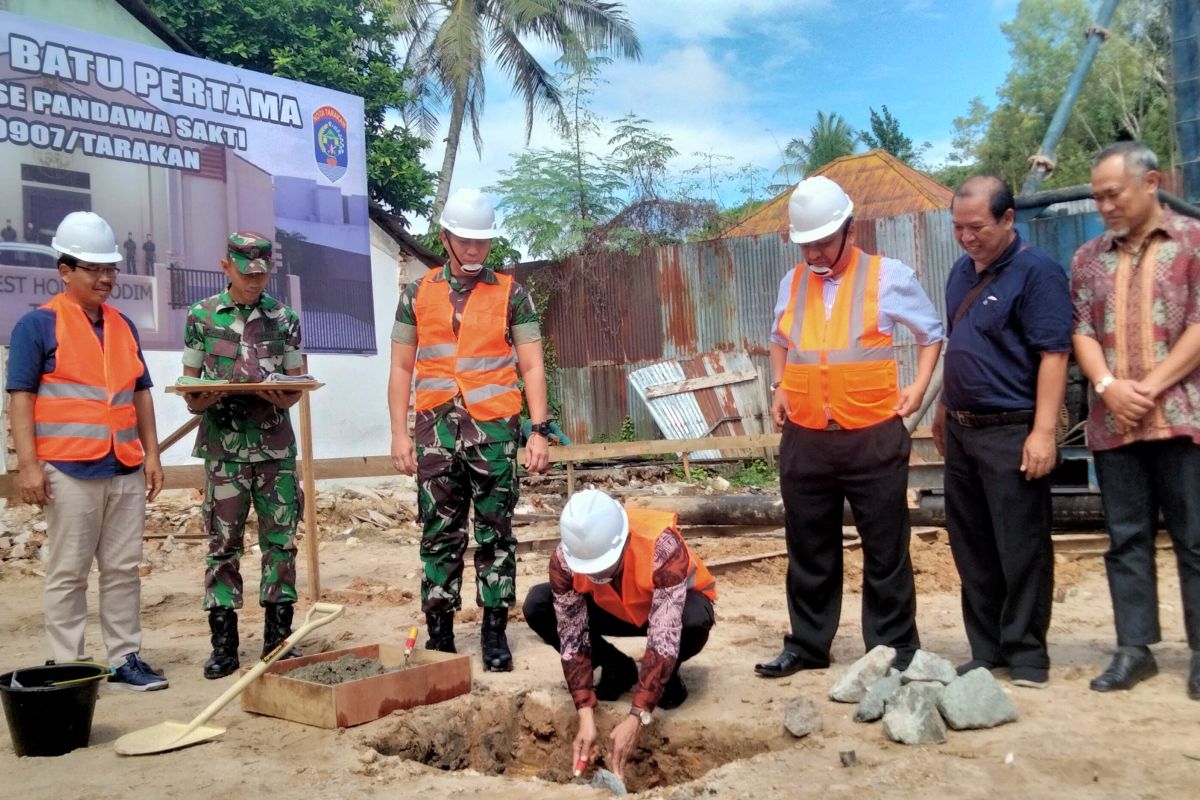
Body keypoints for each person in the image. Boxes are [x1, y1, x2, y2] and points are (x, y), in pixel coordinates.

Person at [756, 176, 944, 678]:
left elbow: (931, 332)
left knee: (885, 545)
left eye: (822, 241)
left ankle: (893, 647)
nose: (814, 252)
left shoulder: (888, 277)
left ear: (848, 229)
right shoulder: (792, 284)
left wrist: (920, 386)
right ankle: (808, 644)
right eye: (806, 244)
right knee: (809, 545)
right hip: (807, 436)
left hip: (872, 432)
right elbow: (778, 337)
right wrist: (779, 386)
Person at [388, 187, 550, 672]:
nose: (476, 249)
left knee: (496, 533)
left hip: (495, 434)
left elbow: (533, 366)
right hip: (435, 432)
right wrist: (399, 434)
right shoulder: (416, 295)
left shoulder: (511, 293)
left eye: (483, 240)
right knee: (439, 534)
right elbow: (401, 369)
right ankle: (439, 634)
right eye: (466, 239)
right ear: (446, 238)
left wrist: (538, 431)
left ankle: (494, 633)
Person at [5, 211, 167, 690]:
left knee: (121, 569)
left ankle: (124, 658)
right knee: (69, 570)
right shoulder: (37, 326)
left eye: (110, 268)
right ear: (65, 271)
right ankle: (68, 665)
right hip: (69, 469)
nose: (105, 278)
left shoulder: (123, 326)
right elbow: (20, 399)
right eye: (93, 268)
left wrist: (152, 455)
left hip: (123, 466)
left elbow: (140, 394)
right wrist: (29, 466)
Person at [1071, 141, 1200, 699]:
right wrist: (1107, 387)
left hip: (1181, 418)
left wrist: (1149, 385)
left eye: (1113, 194)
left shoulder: (1193, 243)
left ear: (1151, 184)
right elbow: (1081, 331)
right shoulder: (1087, 258)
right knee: (1125, 538)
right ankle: (1134, 649)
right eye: (1098, 197)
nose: (1105, 206)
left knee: (1196, 538)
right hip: (1114, 423)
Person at [932, 176, 1071, 688]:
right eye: (957, 227)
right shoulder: (958, 274)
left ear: (1008, 219)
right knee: (971, 544)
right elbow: (961, 344)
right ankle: (986, 649)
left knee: (1022, 546)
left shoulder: (1038, 274)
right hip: (964, 432)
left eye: (977, 227)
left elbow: (1054, 355)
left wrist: (1043, 432)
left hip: (1012, 430)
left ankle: (1029, 654)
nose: (966, 237)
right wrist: (945, 407)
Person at [523, 489, 716, 780]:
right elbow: (572, 635)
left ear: (623, 541)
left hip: (670, 611)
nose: (597, 575)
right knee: (538, 604)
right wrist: (584, 712)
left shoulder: (662, 545)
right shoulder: (565, 558)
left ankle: (668, 679)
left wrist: (637, 715)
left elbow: (664, 635)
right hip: (613, 608)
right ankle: (618, 667)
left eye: (604, 566)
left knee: (692, 621)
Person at [180, 232, 305, 680]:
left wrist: (284, 396)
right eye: (246, 272)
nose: (255, 281)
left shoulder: (284, 318)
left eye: (262, 273)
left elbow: (296, 383)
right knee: (221, 548)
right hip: (224, 449)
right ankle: (224, 645)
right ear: (226, 266)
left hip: (274, 449)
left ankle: (277, 642)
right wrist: (204, 397)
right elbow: (189, 389)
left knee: (281, 545)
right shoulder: (201, 316)